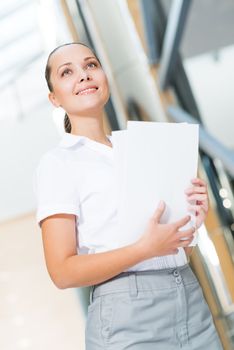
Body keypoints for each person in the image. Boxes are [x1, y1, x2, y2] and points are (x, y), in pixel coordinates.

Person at [35, 42, 223, 349]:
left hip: (188, 296)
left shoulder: (141, 149)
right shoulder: (59, 163)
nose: (83, 75)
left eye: (91, 65)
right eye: (67, 72)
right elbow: (62, 271)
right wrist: (143, 249)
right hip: (127, 314)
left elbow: (169, 249)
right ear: (54, 98)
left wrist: (189, 222)